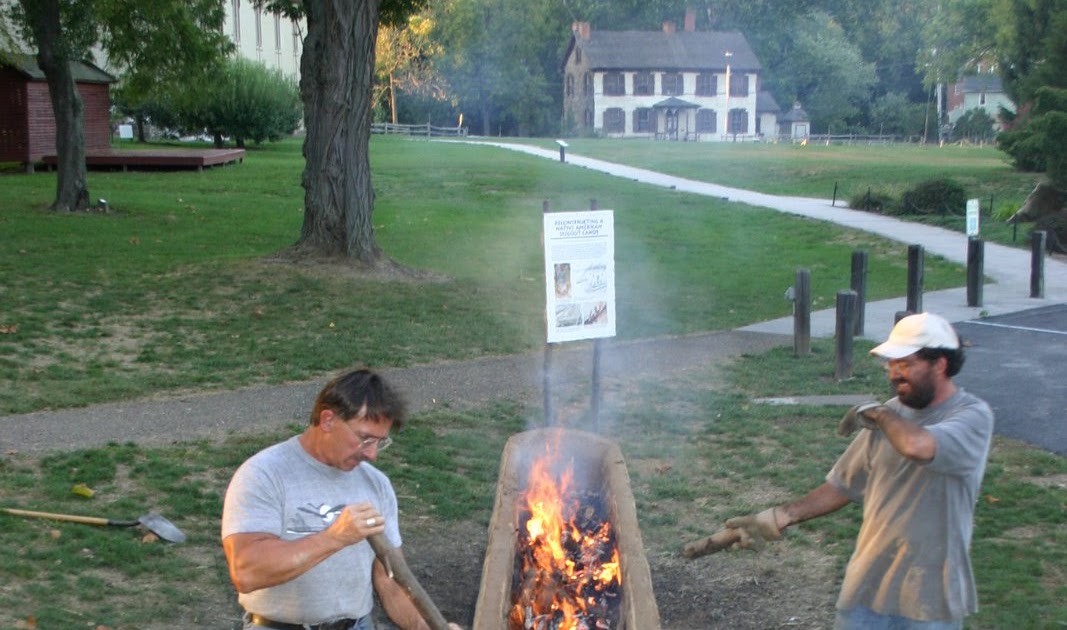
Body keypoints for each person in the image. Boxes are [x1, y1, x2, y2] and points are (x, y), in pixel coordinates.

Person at [710, 312, 994, 630]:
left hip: (929, 600)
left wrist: (880, 415)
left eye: (904, 364)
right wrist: (780, 516)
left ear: (939, 364)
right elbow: (843, 484)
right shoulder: (892, 412)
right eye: (891, 364)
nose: (894, 374)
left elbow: (918, 446)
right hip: (867, 588)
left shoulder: (972, 417)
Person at [222, 368, 463, 630]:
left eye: (380, 442)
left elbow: (391, 581)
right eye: (364, 439)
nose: (372, 454)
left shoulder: (376, 484)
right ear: (328, 420)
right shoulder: (264, 474)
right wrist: (335, 537)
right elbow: (246, 572)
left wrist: (424, 626)